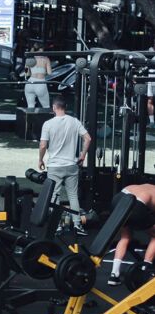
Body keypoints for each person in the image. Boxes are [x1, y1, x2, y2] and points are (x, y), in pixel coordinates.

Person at [39, 97, 91, 236]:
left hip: (55, 166)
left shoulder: (48, 124)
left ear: (54, 108)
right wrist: (83, 155)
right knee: (73, 196)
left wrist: (40, 160)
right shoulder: (74, 121)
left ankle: (57, 226)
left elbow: (43, 145)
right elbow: (88, 138)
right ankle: (78, 225)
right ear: (65, 107)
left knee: (54, 195)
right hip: (71, 164)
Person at [108, 184, 155, 286]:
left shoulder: (145, 186)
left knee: (125, 236)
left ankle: (114, 275)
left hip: (119, 199)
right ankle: (144, 271)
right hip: (136, 204)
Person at [25, 44, 53, 109]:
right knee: (46, 106)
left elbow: (27, 73)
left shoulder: (29, 58)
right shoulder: (46, 59)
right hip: (40, 83)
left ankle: (30, 119)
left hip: (30, 83)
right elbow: (49, 73)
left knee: (30, 106)